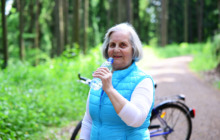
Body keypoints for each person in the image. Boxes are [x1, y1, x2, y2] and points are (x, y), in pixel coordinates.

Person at [80, 23, 155, 140]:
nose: (116, 49)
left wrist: (109, 90)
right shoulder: (100, 77)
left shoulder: (143, 80)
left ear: (133, 50)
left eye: (123, 45)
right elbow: (89, 120)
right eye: (112, 45)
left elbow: (136, 119)